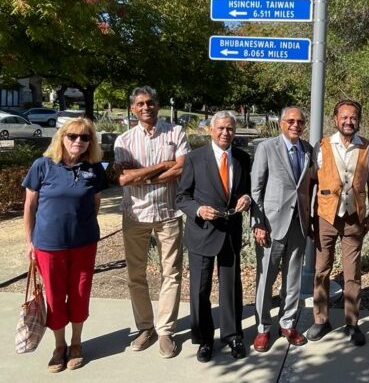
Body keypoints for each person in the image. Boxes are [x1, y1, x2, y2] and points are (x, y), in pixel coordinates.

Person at [22, 117, 108, 372]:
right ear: (62, 137)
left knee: (80, 295)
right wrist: (30, 242)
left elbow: (95, 203)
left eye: (85, 137)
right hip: (48, 245)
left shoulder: (94, 169)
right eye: (72, 136)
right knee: (55, 297)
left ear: (90, 142)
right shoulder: (42, 166)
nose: (78, 141)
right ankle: (59, 347)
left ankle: (77, 344)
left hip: (83, 244)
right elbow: (30, 206)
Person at [113, 86, 190, 358]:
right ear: (133, 108)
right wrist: (160, 167)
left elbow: (181, 168)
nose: (146, 107)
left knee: (172, 273)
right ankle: (145, 327)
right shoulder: (123, 140)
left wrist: (141, 176)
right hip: (135, 215)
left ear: (158, 105)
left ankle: (166, 330)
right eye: (140, 104)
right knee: (137, 275)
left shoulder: (176, 133)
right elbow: (122, 178)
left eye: (150, 103)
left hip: (168, 214)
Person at [176, 111, 252, 362]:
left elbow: (247, 190)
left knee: (231, 288)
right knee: (200, 289)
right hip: (202, 233)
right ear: (210, 130)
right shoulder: (194, 159)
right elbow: (182, 197)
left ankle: (232, 335)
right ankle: (204, 339)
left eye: (230, 128)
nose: (225, 133)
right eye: (220, 128)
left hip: (230, 233)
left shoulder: (242, 158)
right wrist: (198, 210)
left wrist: (246, 199)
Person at [305, 100, 369, 346]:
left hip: (354, 218)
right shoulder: (322, 146)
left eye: (353, 117)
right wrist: (309, 216)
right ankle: (321, 320)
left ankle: (352, 323)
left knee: (352, 273)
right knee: (322, 270)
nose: (349, 121)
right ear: (336, 119)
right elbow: (311, 182)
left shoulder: (368, 148)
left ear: (358, 120)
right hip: (326, 216)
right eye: (344, 117)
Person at [251, 106, 313, 352]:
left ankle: (287, 323)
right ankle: (263, 328)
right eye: (290, 121)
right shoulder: (267, 148)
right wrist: (258, 223)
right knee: (266, 279)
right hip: (271, 224)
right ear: (281, 123)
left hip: (298, 224)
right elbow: (256, 189)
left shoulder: (307, 150)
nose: (295, 125)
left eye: (300, 121)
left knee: (293, 278)